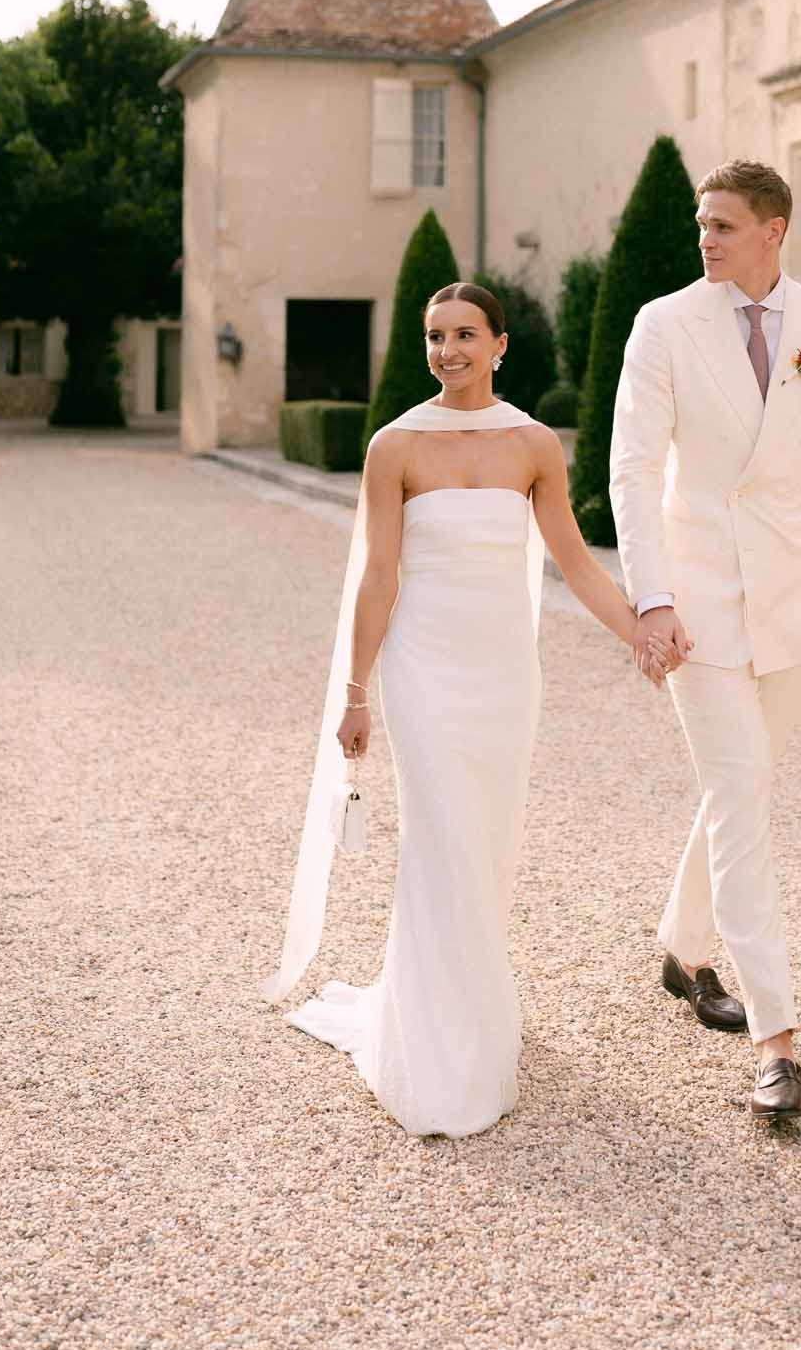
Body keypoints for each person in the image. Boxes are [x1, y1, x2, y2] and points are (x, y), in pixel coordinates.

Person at [263, 281, 666, 1139]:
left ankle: (476, 1007)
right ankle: (434, 1044)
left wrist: (639, 629)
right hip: (422, 669)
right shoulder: (394, 446)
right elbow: (378, 576)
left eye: (464, 335)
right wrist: (355, 693)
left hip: (503, 673)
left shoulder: (533, 444)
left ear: (499, 345)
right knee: (439, 837)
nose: (447, 351)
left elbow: (574, 561)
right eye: (434, 337)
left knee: (486, 842)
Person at [610, 159, 801, 1120]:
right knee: (741, 803)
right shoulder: (663, 324)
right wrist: (650, 600)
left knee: (741, 787)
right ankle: (777, 1041)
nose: (705, 239)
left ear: (774, 230)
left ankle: (682, 951)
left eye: (723, 225)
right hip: (698, 610)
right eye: (700, 224)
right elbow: (633, 471)